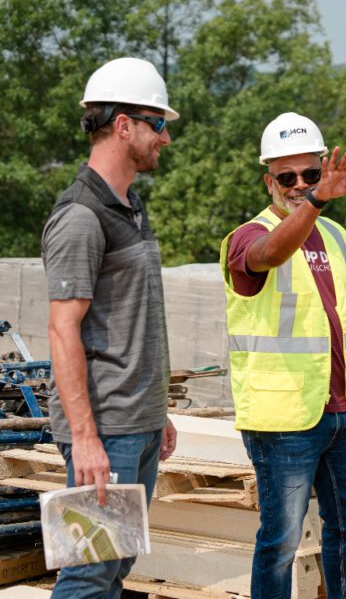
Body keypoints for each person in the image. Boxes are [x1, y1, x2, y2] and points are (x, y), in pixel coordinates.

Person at [220, 112, 346, 598]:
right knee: (281, 541)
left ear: (322, 169)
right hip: (282, 418)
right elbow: (271, 254)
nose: (299, 185)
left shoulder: (337, 237)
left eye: (309, 174)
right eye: (287, 177)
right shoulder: (246, 236)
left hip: (342, 413)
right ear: (270, 181)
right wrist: (318, 202)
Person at [42, 57, 179, 597]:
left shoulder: (129, 205)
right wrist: (85, 441)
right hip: (105, 430)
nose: (165, 139)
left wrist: (158, 411)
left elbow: (128, 320)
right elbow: (62, 331)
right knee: (90, 572)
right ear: (124, 125)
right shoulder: (80, 216)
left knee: (116, 565)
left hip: (137, 422)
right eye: (159, 124)